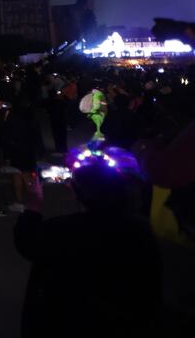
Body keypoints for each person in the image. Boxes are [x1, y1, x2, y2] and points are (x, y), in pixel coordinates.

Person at [14, 144, 161, 337]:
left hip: (67, 321)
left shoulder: (63, 230)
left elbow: (27, 243)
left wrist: (33, 206)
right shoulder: (140, 231)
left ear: (79, 192)